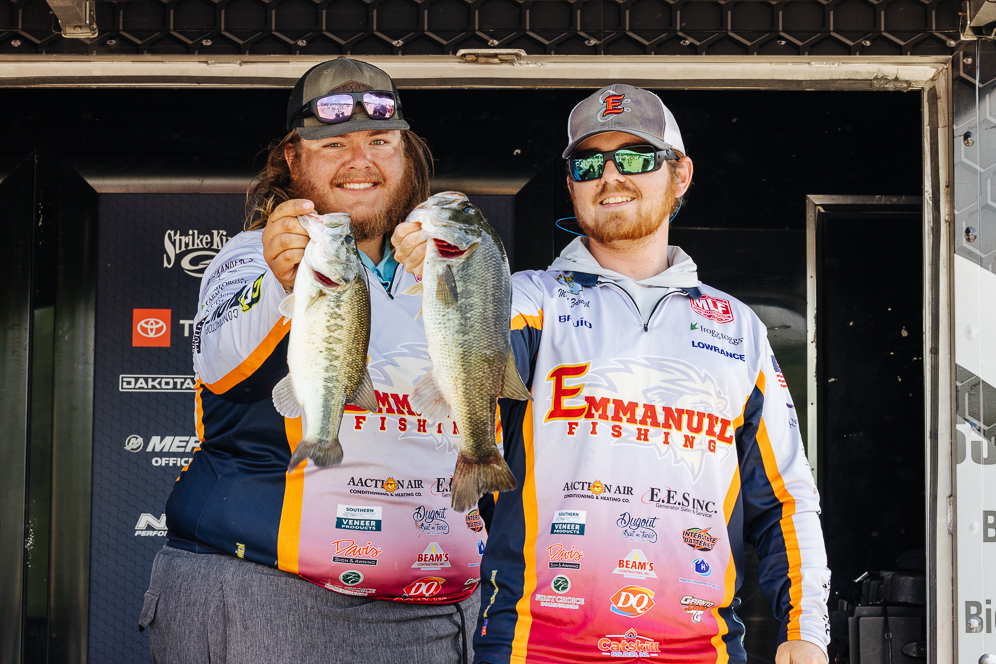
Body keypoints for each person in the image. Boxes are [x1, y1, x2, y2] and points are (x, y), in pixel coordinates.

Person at [392, 85, 831, 663]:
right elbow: (458, 375)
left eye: (636, 157)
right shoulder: (529, 301)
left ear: (680, 175)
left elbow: (784, 498)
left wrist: (805, 629)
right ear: (571, 184)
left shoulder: (739, 328)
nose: (610, 176)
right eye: (588, 163)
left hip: (701, 652)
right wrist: (440, 277)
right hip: (534, 649)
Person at [141, 57, 481, 664]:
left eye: (380, 140)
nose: (360, 160)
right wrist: (279, 283)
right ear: (293, 158)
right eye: (333, 144)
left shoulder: (444, 265)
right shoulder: (251, 255)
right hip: (266, 598)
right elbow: (225, 367)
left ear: (406, 154)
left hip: (440, 612)